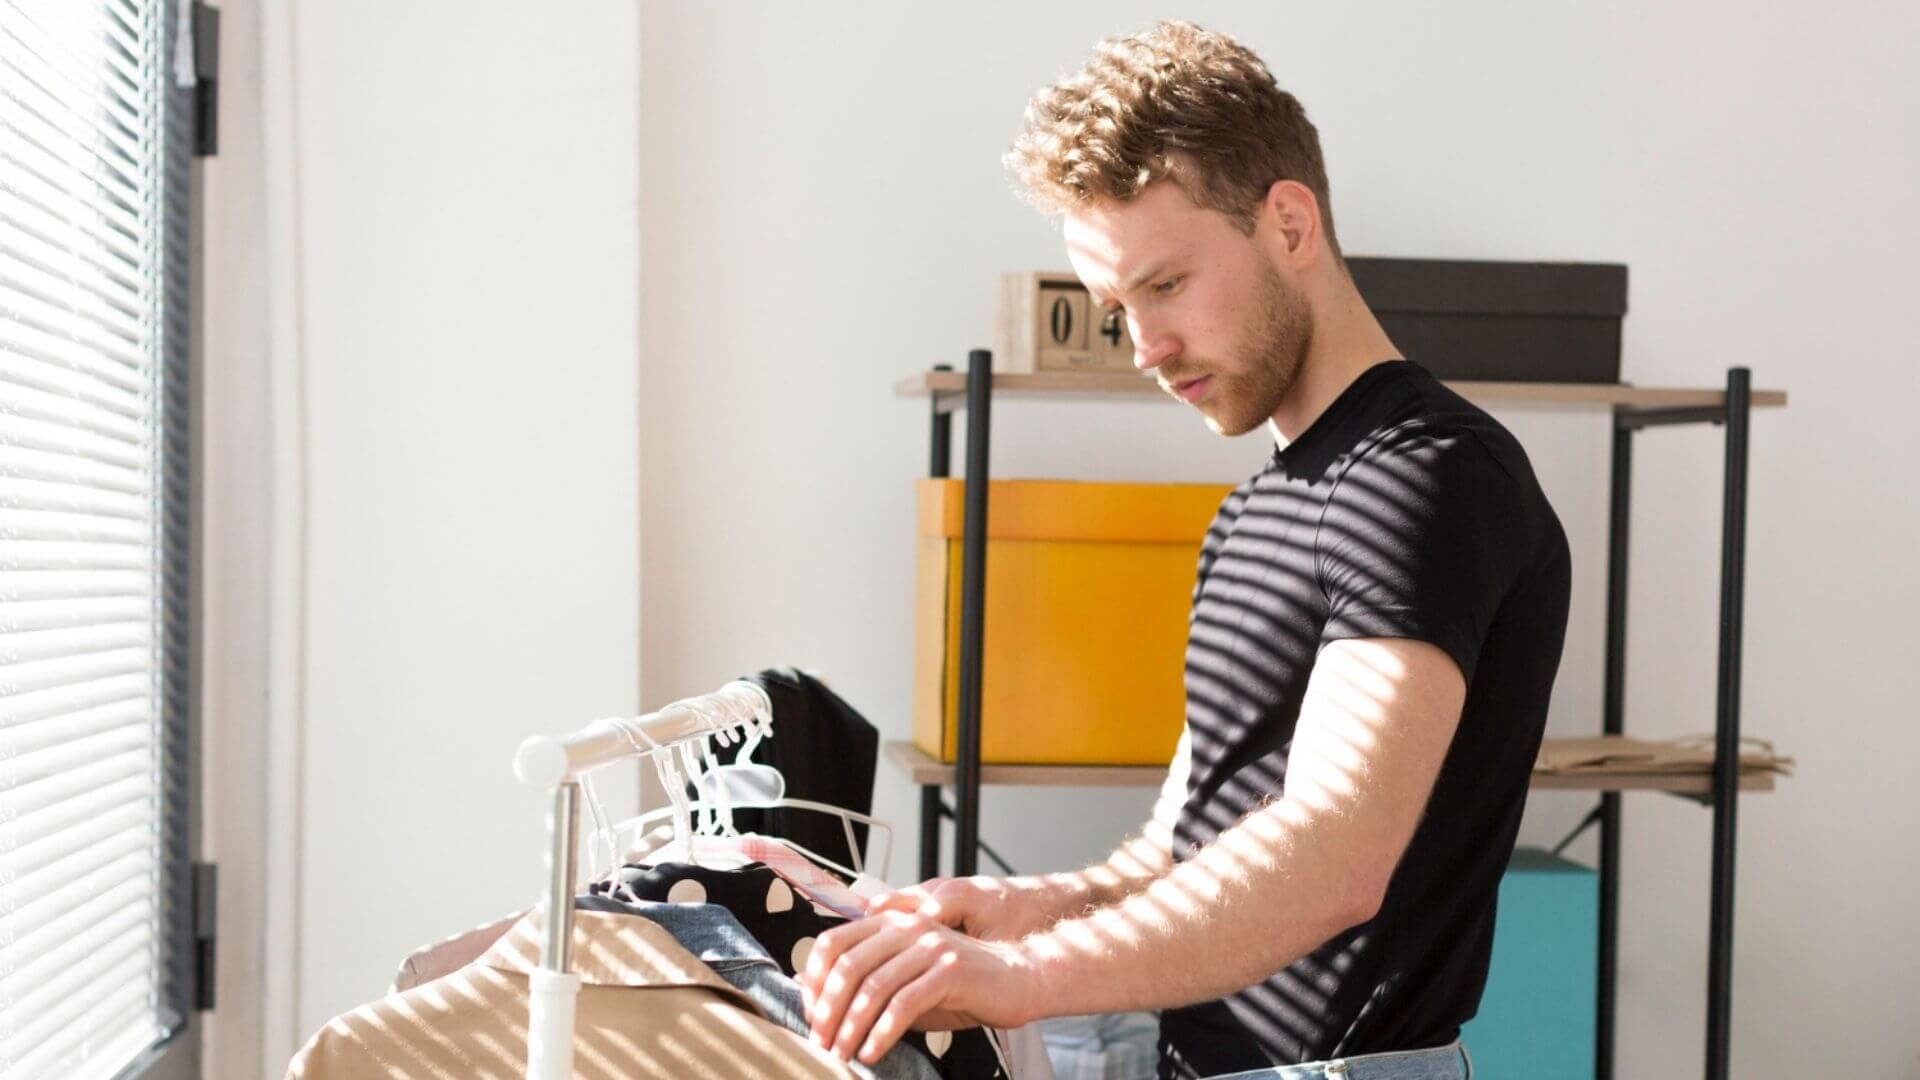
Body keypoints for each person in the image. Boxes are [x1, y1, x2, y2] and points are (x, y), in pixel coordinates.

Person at [797, 20, 1571, 1080]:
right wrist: (1022, 908)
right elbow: (1179, 848)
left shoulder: (1427, 476)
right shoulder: (1252, 512)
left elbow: (1335, 851)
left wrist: (1022, 977)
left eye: (1164, 285)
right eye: (1118, 307)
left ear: (1289, 223)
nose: (1144, 349)